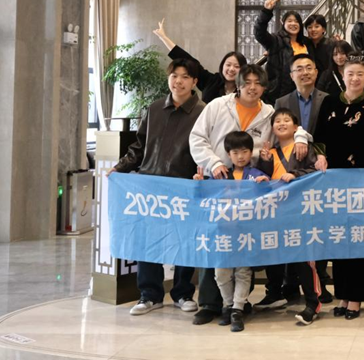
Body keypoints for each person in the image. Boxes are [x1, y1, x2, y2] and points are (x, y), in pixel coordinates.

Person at [188, 64, 309, 325]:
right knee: (215, 242)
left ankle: (239, 305)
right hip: (218, 182)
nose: (252, 87)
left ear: (264, 87)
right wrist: (213, 163)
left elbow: (289, 126)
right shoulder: (218, 105)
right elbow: (197, 138)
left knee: (244, 244)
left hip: (249, 186)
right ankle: (209, 304)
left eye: (258, 83)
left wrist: (301, 138)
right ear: (238, 84)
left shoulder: (268, 113)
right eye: (247, 82)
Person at [110, 58, 205, 316]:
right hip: (150, 186)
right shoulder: (154, 109)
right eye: (174, 75)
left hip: (184, 187)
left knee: (184, 240)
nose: (178, 81)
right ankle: (149, 295)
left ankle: (183, 292)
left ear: (194, 82)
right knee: (148, 241)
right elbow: (139, 146)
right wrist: (120, 167)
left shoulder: (203, 112)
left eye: (185, 77)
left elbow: (207, 148)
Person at [313, 53, 364, 320]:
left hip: (359, 183)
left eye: (360, 74)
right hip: (332, 182)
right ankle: (342, 295)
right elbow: (319, 136)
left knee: (358, 238)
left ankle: (356, 298)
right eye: (350, 74)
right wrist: (320, 156)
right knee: (339, 239)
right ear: (343, 76)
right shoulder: (330, 102)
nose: (355, 78)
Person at [269, 54, 332, 305]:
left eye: (309, 68)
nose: (304, 72)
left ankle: (320, 282)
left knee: (316, 229)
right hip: (288, 171)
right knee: (289, 229)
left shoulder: (327, 99)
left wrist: (319, 151)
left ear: (316, 72)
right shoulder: (281, 102)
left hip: (315, 170)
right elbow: (278, 133)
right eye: (299, 69)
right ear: (291, 75)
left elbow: (330, 133)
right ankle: (290, 283)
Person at [258, 109, 325, 326]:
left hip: (300, 212)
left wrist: (295, 175)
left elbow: (316, 173)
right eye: (277, 121)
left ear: (296, 127)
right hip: (276, 213)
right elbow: (263, 179)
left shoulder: (303, 148)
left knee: (304, 259)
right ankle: (275, 293)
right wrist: (264, 165)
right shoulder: (270, 152)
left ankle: (312, 302)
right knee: (274, 254)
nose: (282, 123)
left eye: (287, 120)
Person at [206, 131, 271, 332]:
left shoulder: (256, 174)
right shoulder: (220, 174)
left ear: (251, 152)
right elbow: (204, 196)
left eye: (244, 151)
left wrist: (265, 184)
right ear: (228, 154)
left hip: (246, 233)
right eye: (235, 152)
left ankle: (237, 309)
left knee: (243, 272)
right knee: (221, 273)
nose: (240, 156)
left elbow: (269, 194)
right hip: (223, 232)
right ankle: (227, 305)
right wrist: (199, 182)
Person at [153, 18, 248, 103]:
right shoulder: (210, 81)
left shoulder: (246, 89)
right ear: (222, 66)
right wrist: (164, 38)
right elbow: (188, 59)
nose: (231, 69)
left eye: (237, 66)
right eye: (228, 65)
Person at [254, 0, 316, 102]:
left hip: (304, 91)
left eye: (296, 21)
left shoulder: (307, 43)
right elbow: (259, 32)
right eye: (290, 21)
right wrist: (266, 11)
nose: (293, 24)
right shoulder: (275, 41)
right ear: (283, 23)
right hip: (279, 92)